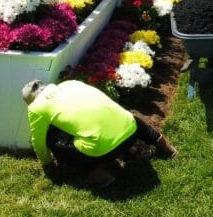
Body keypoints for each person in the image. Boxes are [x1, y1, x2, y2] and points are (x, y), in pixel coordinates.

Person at [22, 80, 178, 188]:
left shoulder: (36, 108)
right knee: (126, 118)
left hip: (104, 151)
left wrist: (47, 163)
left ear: (31, 101)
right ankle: (164, 146)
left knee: (50, 139)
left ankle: (97, 175)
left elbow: (38, 141)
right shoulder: (71, 84)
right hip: (131, 132)